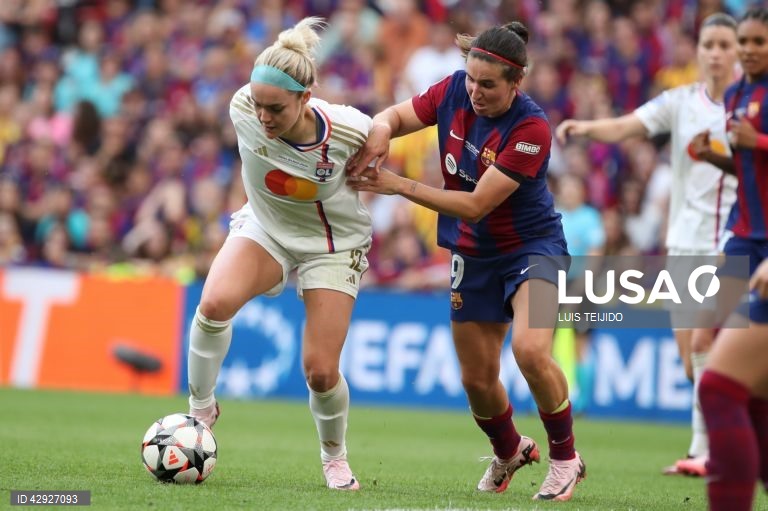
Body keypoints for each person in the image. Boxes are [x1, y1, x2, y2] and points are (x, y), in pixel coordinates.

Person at [347, 21, 585, 501]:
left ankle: (565, 458)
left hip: (532, 247)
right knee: (476, 379)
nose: (475, 91)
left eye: (488, 84)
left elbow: (477, 204)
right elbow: (394, 115)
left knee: (531, 351)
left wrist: (396, 184)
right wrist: (379, 132)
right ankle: (509, 450)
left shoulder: (532, 128)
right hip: (472, 253)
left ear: (515, 84)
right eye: (471, 79)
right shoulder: (454, 89)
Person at [186, 17, 373, 491]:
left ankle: (335, 458)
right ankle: (200, 413)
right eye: (259, 104)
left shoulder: (350, 130)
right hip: (267, 229)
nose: (264, 117)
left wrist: (380, 170)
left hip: (332, 245)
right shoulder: (241, 108)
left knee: (320, 371)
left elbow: (381, 142)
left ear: (306, 99)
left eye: (276, 108)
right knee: (212, 305)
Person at [555, 12, 740, 477]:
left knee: (708, 343)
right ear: (698, 52)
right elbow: (630, 125)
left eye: (724, 44)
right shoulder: (681, 102)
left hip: (734, 242)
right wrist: (586, 127)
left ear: (739, 52)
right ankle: (719, 442)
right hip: (683, 243)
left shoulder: (750, 107)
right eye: (709, 45)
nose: (715, 53)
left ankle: (707, 449)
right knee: (689, 360)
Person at [691, 8, 768, 510]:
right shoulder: (739, 92)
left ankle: (725, 462)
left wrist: (756, 140)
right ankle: (720, 450)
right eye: (744, 40)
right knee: (708, 342)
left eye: (759, 41)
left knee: (725, 384)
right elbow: (752, 167)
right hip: (745, 237)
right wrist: (716, 155)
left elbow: (757, 148)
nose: (748, 49)